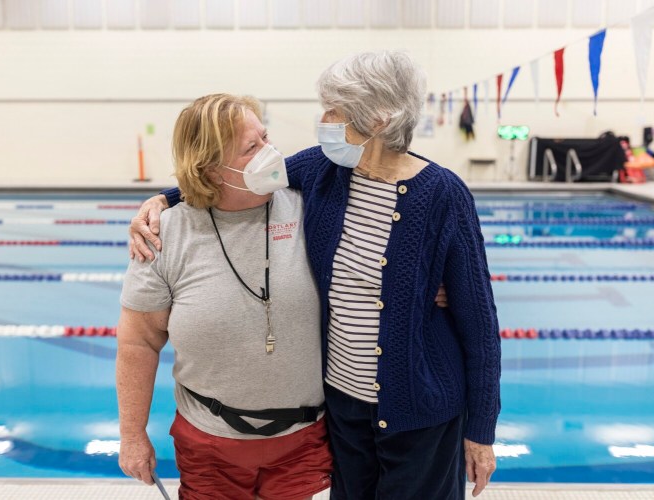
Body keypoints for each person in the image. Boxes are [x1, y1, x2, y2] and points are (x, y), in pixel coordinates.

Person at [131, 51, 501, 500]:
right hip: (344, 414)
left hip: (421, 413)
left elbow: (479, 325)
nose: (322, 120)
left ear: (379, 119)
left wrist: (481, 431)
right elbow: (226, 175)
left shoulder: (443, 196)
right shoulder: (324, 172)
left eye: (334, 111)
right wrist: (163, 200)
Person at [116, 93, 333, 500]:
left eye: (265, 137)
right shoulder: (165, 234)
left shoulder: (310, 211)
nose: (271, 153)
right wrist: (132, 435)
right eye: (252, 148)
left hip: (306, 443)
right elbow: (138, 341)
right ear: (212, 169)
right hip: (208, 446)